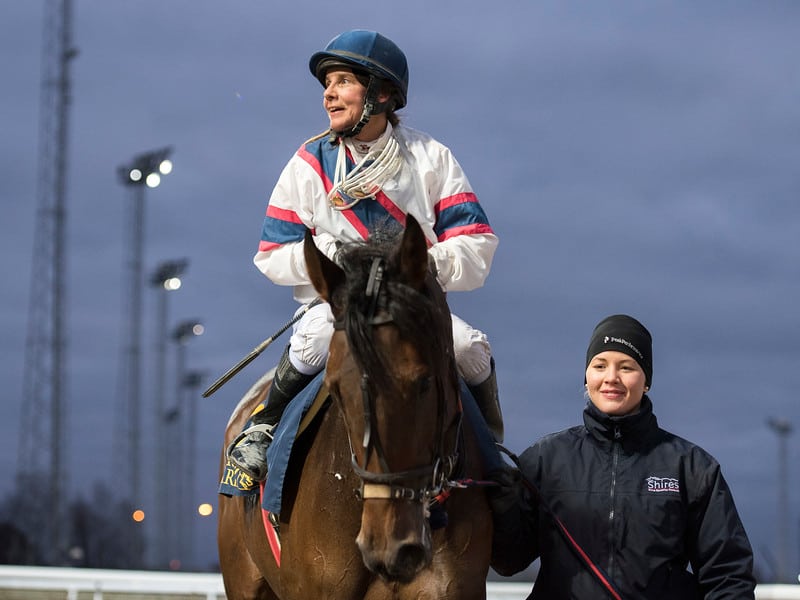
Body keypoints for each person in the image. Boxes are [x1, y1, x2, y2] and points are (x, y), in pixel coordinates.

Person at [227, 29, 501, 481]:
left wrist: (423, 264)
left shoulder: (432, 157)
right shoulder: (308, 163)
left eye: (343, 82)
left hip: (413, 305)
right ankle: (263, 424)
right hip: (337, 307)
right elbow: (272, 253)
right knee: (315, 340)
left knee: (467, 347)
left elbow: (478, 245)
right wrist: (334, 253)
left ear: (383, 94)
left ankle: (491, 458)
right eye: (327, 85)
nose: (329, 95)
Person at [489, 314, 756, 599]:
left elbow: (728, 575)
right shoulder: (544, 460)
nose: (611, 378)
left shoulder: (692, 468)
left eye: (626, 367)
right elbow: (509, 562)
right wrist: (505, 510)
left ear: (646, 380)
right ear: (587, 376)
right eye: (600, 365)